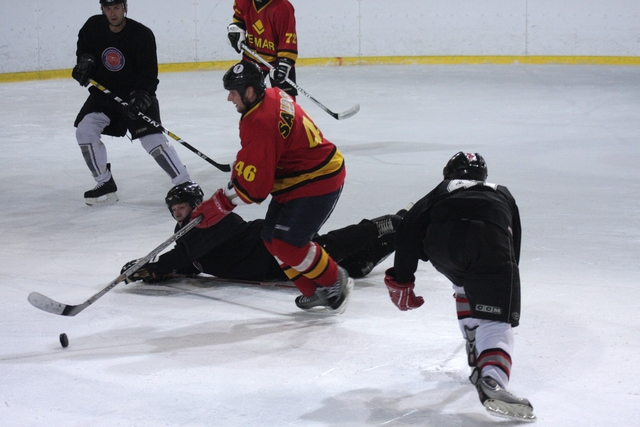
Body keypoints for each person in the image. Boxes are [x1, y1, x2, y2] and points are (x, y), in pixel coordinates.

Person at [384, 152, 536, 422]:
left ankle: (472, 338)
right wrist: (503, 287)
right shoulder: (502, 192)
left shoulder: (442, 189)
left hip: (443, 247)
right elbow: (513, 241)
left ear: (448, 174)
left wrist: (403, 279)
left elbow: (408, 228)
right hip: (490, 243)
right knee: (495, 321)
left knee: (464, 283)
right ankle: (491, 380)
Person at [190, 60, 351, 314]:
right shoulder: (274, 94)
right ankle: (314, 290)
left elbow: (255, 190)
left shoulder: (261, 122)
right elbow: (262, 155)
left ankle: (334, 279)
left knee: (289, 245)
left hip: (318, 178)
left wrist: (222, 203)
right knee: (269, 238)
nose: (230, 98)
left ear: (249, 91)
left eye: (233, 92)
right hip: (298, 176)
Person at [122, 182, 405, 313]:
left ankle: (379, 226)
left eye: (181, 207)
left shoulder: (213, 221)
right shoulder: (187, 235)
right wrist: (156, 272)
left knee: (326, 249)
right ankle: (396, 235)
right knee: (352, 267)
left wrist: (154, 266)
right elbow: (191, 263)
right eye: (173, 209)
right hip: (269, 267)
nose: (177, 214)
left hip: (274, 249)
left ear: (196, 205)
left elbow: (186, 254)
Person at [71, 0, 193, 205]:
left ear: (125, 7)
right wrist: (84, 64)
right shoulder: (93, 27)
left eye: (116, 7)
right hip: (105, 95)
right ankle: (104, 182)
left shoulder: (142, 35)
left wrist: (142, 96)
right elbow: (84, 52)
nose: (113, 13)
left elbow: (149, 74)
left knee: (152, 140)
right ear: (102, 10)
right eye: (108, 8)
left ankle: (185, 183)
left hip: (135, 95)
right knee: (85, 130)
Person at [227, 0, 298, 98]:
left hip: (278, 61)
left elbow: (287, 38)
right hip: (252, 57)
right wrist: (237, 30)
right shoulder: (244, 2)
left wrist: (284, 65)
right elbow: (239, 19)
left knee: (285, 100)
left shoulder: (283, 7)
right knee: (245, 95)